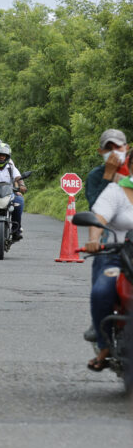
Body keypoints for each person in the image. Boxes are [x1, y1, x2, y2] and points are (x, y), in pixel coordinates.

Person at [83, 152, 133, 371]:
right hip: (117, 255)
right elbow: (98, 218)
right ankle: (104, 346)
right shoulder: (115, 191)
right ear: (129, 167)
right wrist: (94, 240)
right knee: (102, 291)